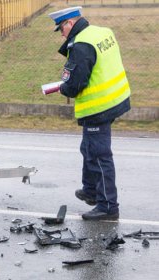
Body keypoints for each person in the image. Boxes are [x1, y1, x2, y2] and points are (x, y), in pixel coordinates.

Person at [48, 6, 131, 220]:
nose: (62, 34)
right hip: (116, 98)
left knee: (100, 155)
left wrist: (62, 87)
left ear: (70, 23)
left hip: (99, 107)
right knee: (88, 147)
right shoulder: (102, 32)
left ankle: (108, 206)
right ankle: (91, 190)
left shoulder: (82, 45)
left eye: (61, 29)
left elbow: (74, 85)